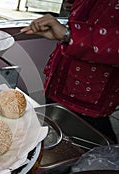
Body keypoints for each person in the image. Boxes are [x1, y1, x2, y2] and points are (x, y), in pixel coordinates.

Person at [21, 0, 119, 143]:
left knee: (90, 144)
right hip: (60, 78)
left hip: (92, 94)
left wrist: (69, 34)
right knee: (51, 132)